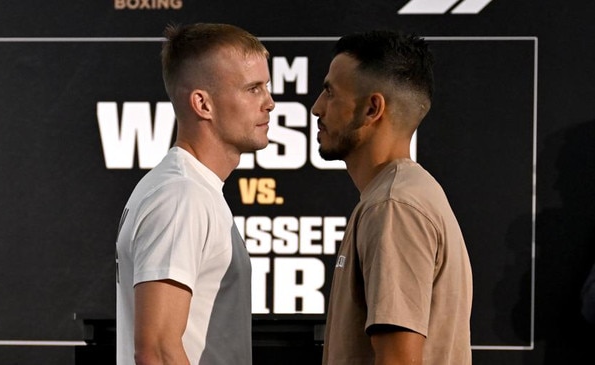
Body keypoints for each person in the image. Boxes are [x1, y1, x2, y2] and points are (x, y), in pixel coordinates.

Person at [115, 23, 275, 365]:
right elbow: (156, 350)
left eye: (267, 87)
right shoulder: (181, 196)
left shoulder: (192, 189)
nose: (270, 103)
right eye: (253, 89)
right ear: (203, 104)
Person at [311, 30, 473, 364]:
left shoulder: (393, 207)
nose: (317, 108)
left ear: (372, 108)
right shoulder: (398, 196)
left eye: (330, 93)